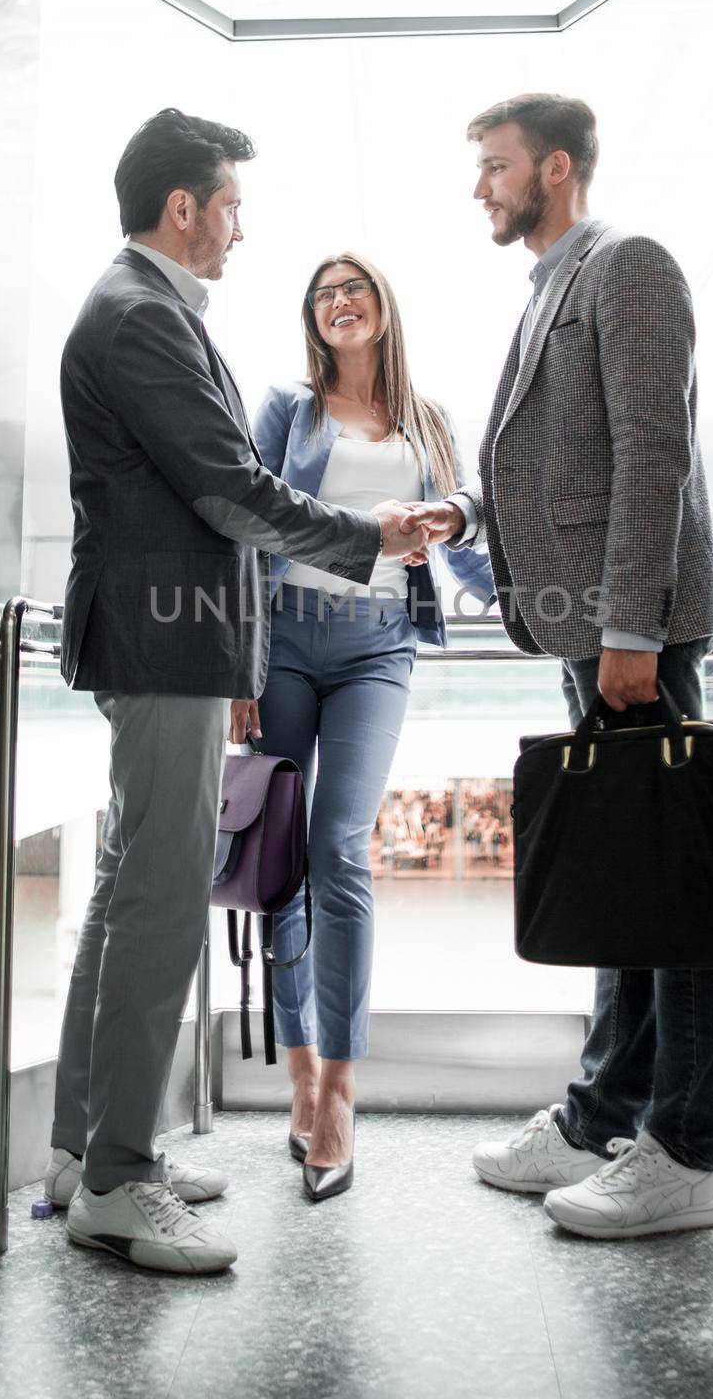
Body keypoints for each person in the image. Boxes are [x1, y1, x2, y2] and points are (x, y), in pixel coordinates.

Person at [46, 114, 427, 1274]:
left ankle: (84, 1150)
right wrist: (370, 534)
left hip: (165, 649)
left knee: (124, 896)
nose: (239, 227)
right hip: (165, 651)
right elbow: (227, 488)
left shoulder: (146, 308)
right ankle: (115, 1178)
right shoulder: (139, 315)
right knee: (158, 900)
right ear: (182, 208)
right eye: (229, 205)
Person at [411, 93, 713, 1240]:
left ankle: (687, 1154)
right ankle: (604, 1114)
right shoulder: (555, 280)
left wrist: (631, 632)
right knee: (629, 885)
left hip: (632, 634)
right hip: (589, 630)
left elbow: (653, 451)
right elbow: (553, 465)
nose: (481, 189)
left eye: (495, 167)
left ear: (555, 167)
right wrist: (462, 516)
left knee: (681, 895)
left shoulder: (629, 263)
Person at [230, 251, 493, 1201]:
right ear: (314, 318)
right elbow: (246, 522)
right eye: (323, 294)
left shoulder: (428, 421)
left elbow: (471, 531)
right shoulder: (286, 411)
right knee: (282, 859)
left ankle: (340, 1093)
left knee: (340, 846)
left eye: (356, 288)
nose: (340, 302)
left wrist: (456, 519)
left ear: (384, 306)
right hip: (284, 645)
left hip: (380, 644)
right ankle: (298, 1075)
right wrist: (238, 663)